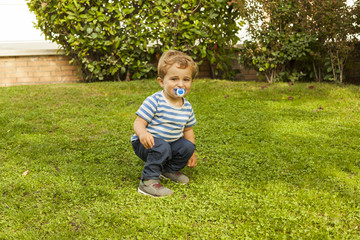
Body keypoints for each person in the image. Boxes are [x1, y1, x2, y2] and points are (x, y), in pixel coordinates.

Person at [131, 50, 198, 197]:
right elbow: (138, 122)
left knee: (187, 145)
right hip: (146, 143)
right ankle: (148, 181)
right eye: (174, 79)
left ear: (191, 82)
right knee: (161, 146)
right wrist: (143, 133)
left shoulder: (186, 106)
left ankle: (168, 170)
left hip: (169, 144)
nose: (180, 84)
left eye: (186, 80)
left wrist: (191, 152)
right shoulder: (154, 101)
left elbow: (188, 130)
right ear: (162, 82)